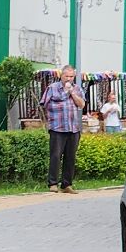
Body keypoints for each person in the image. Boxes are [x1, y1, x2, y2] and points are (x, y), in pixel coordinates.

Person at [43, 64, 84, 193]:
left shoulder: (77, 89)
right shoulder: (52, 88)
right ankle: (53, 183)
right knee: (55, 155)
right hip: (57, 127)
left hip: (73, 128)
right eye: (67, 76)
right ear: (61, 76)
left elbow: (81, 104)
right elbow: (44, 103)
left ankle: (67, 184)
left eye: (71, 76)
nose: (69, 79)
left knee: (70, 157)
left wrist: (71, 92)